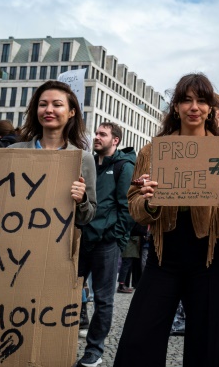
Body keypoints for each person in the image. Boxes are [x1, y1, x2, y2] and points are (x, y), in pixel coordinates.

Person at [114, 73, 219, 367]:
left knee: (209, 345)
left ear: (211, 108)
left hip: (212, 257)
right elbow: (134, 204)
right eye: (186, 100)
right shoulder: (154, 150)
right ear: (175, 107)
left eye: (202, 100)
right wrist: (149, 201)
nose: (194, 107)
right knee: (140, 337)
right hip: (165, 255)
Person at [0, 80, 97, 277]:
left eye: (57, 104)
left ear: (72, 112)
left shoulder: (83, 159)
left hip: (54, 256)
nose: (49, 109)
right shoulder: (13, 152)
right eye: (43, 104)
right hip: (8, 253)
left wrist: (81, 200)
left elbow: (88, 216)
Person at [76, 122, 136, 367]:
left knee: (103, 299)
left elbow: (127, 207)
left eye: (103, 134)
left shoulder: (124, 166)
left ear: (116, 140)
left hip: (106, 244)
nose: (96, 137)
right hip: (82, 239)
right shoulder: (88, 162)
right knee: (69, 293)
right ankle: (61, 338)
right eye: (96, 133)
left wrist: (117, 239)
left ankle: (94, 351)